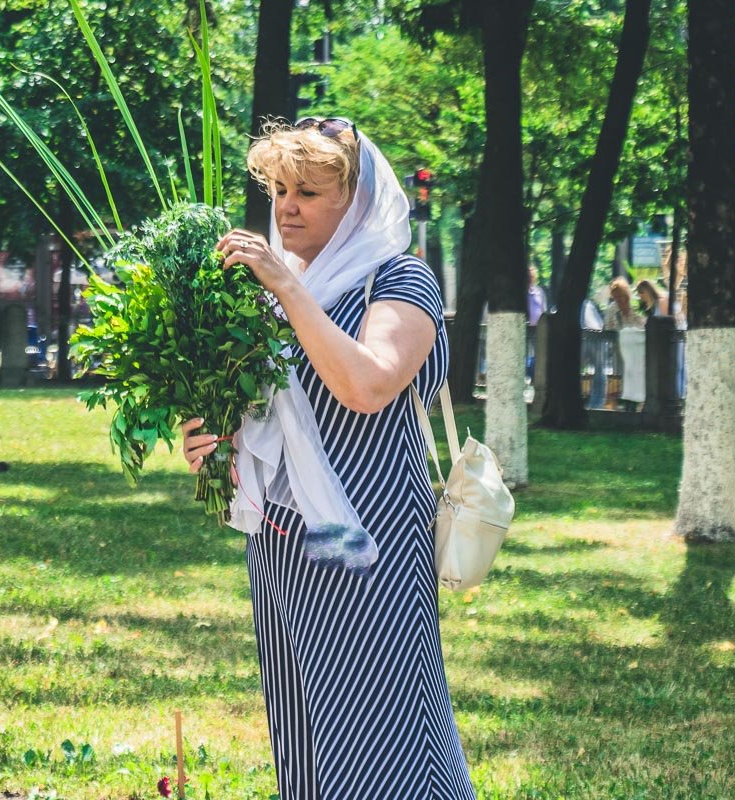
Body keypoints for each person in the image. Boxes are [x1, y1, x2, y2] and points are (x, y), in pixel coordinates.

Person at [181, 118, 474, 799]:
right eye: (279, 190)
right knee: (306, 731)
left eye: (308, 192)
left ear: (357, 200)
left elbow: (367, 385)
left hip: (370, 542)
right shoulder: (271, 294)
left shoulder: (400, 279)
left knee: (386, 724)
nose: (286, 208)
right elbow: (271, 424)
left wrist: (288, 289)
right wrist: (212, 445)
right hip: (283, 548)